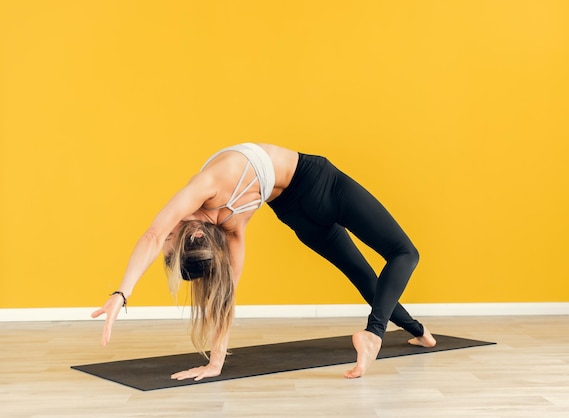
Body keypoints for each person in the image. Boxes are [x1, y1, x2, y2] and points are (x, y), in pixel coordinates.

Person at [92, 143, 436, 380]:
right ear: (196, 235)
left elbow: (225, 300)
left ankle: (419, 332)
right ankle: (373, 334)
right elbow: (152, 236)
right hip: (318, 183)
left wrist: (216, 363)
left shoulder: (232, 233)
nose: (166, 232)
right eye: (172, 237)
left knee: (362, 275)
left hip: (295, 216)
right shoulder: (206, 188)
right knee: (404, 253)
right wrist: (120, 293)